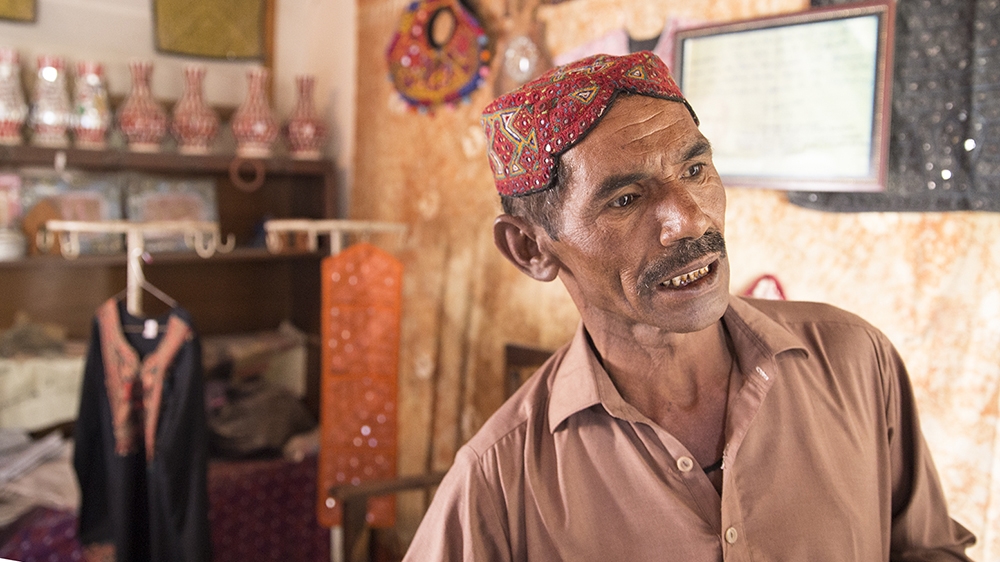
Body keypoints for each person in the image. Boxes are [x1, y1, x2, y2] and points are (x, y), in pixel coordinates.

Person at [403, 52, 975, 561]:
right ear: (530, 248)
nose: (691, 220)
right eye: (626, 199)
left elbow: (929, 550)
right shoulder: (498, 483)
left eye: (695, 171)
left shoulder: (854, 360)